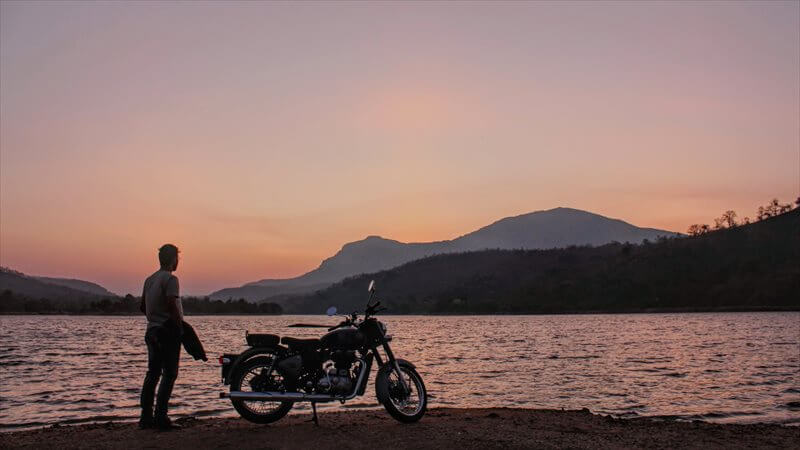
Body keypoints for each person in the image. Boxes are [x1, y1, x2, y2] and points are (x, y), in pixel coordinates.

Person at [139, 244, 183, 431]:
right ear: (173, 259)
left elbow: (142, 306)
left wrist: (154, 315)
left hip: (151, 330)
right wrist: (178, 326)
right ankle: (161, 417)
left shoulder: (149, 280)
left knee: (153, 373)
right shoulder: (171, 279)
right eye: (177, 258)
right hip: (166, 331)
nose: (178, 262)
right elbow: (171, 303)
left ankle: (145, 417)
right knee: (169, 373)